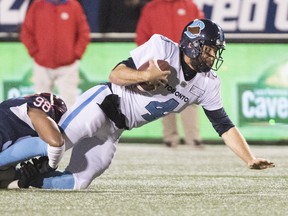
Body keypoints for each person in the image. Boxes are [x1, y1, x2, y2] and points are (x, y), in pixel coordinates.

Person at [17, 19, 274, 190]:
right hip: (104, 103)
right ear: (193, 44)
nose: (213, 56)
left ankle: (23, 181)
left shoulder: (208, 83)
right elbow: (115, 74)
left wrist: (248, 159)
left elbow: (223, 125)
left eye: (215, 51)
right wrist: (145, 76)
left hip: (117, 128)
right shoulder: (162, 48)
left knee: (79, 181)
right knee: (54, 143)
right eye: (209, 49)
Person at [135, 0, 205, 148]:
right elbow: (142, 35)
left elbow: (201, 32)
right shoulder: (151, 8)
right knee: (164, 98)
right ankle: (170, 137)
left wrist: (196, 54)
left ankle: (193, 138)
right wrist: (150, 60)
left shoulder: (190, 6)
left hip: (187, 60)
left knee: (190, 99)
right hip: (162, 62)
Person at [20, 0, 90, 108]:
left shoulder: (73, 5)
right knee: (40, 104)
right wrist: (35, 53)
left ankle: (68, 125)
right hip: (42, 64)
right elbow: (26, 31)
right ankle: (42, 125)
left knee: (70, 103)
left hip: (68, 66)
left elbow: (84, 33)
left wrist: (76, 54)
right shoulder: (37, 5)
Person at [0, 93, 67, 188]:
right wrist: (50, 165)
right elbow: (56, 142)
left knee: (12, 172)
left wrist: (20, 183)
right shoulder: (37, 105)